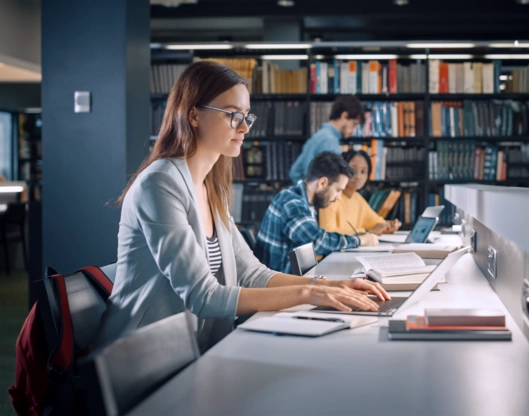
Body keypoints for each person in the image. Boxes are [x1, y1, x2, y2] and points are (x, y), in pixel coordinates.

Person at [95, 62, 389, 353]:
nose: (245, 126)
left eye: (247, 116)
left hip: (190, 350)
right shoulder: (159, 183)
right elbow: (202, 295)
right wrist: (310, 293)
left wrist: (328, 285)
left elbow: (253, 274)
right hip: (137, 362)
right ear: (194, 115)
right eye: (233, 115)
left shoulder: (211, 187)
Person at [256, 151, 380, 274]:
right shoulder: (292, 203)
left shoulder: (306, 202)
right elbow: (316, 241)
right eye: (338, 190)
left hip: (294, 280)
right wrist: (359, 240)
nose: (339, 197)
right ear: (322, 183)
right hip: (279, 287)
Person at [319, 149, 402, 235]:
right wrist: (366, 232)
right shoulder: (330, 196)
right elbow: (327, 232)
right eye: (353, 170)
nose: (358, 176)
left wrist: (389, 226)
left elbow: (378, 223)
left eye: (363, 172)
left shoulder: (357, 199)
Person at [288, 96, 364, 183]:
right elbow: (332, 181)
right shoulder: (329, 141)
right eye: (354, 124)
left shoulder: (320, 135)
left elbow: (294, 172)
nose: (353, 131)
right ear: (344, 116)